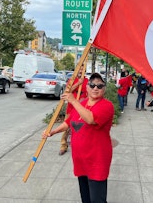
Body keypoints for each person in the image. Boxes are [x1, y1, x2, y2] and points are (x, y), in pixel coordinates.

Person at [43, 73, 114, 203]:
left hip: (97, 159)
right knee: (85, 196)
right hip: (81, 158)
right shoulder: (83, 103)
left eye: (99, 85)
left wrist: (74, 101)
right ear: (87, 87)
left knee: (97, 199)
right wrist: (53, 131)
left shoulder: (106, 105)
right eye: (92, 85)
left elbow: (91, 119)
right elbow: (69, 122)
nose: (95, 88)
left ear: (104, 89)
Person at [59, 65, 88, 155]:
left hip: (81, 108)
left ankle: (81, 146)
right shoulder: (72, 80)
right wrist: (78, 83)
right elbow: (67, 92)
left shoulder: (87, 81)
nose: (81, 71)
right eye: (80, 69)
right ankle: (63, 145)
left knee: (82, 128)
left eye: (83, 69)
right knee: (66, 127)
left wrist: (84, 100)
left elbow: (89, 94)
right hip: (71, 108)